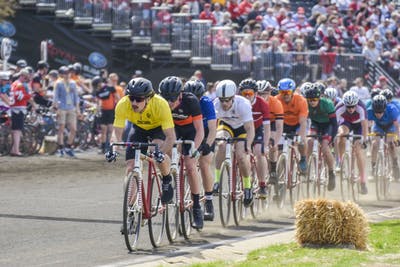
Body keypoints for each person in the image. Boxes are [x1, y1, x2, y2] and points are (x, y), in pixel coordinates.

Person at [106, 77, 176, 208]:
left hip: (158, 129)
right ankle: (131, 208)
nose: (134, 102)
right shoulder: (123, 104)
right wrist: (113, 150)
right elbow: (116, 133)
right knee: (131, 166)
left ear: (149, 98)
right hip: (138, 129)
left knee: (155, 152)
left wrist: (161, 153)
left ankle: (166, 179)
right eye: (131, 98)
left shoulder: (161, 104)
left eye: (139, 99)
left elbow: (171, 137)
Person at [158, 76, 204, 229]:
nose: (169, 103)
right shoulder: (160, 103)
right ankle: (169, 182)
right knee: (166, 156)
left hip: (191, 132)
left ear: (180, 95)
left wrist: (194, 150)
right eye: (166, 99)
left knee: (190, 166)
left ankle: (197, 207)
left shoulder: (191, 101)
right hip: (173, 130)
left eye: (172, 99)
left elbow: (200, 131)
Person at [213, 79, 255, 207]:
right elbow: (211, 126)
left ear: (233, 97)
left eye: (227, 100)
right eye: (222, 100)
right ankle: (216, 181)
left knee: (241, 156)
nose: (224, 104)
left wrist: (248, 145)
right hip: (226, 126)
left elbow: (250, 128)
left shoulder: (243, 104)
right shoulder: (216, 104)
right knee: (221, 144)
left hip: (242, 129)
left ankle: (247, 187)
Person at [184, 79, 217, 221]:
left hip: (206, 134)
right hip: (190, 133)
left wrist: (206, 145)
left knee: (204, 163)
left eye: (197, 97)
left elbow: (213, 129)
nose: (194, 100)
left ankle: (208, 200)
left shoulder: (206, 102)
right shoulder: (184, 102)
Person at [238, 78, 270, 198]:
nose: (246, 96)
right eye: (244, 93)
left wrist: (265, 146)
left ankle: (262, 184)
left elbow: (267, 127)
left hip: (257, 130)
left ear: (256, 94)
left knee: (259, 152)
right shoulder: (238, 103)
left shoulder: (262, 104)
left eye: (249, 93)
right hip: (242, 130)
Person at [304, 83, 338, 191]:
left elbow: (334, 124)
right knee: (309, 141)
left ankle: (331, 172)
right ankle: (305, 165)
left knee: (324, 148)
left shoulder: (327, 104)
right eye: (310, 100)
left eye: (314, 99)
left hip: (328, 125)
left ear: (319, 98)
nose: (312, 102)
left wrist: (331, 138)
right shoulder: (305, 104)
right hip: (315, 124)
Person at [335, 91, 369, 194]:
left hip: (359, 125)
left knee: (358, 151)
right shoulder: (339, 107)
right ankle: (340, 161)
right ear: (344, 104)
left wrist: (364, 139)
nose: (350, 109)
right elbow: (335, 125)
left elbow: (364, 126)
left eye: (353, 106)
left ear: (356, 104)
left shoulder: (361, 107)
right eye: (348, 107)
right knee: (341, 135)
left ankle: (363, 181)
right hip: (346, 122)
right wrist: (334, 137)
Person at [275, 78, 308, 173]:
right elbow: (275, 121)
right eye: (282, 92)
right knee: (279, 150)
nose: (285, 94)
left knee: (301, 142)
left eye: (288, 92)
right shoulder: (277, 100)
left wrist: (301, 137)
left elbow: (303, 122)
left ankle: (303, 158)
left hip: (297, 124)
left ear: (293, 91)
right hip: (283, 124)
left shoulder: (301, 100)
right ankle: (280, 174)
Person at [367, 94, 400, 182]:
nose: (378, 114)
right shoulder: (369, 110)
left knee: (391, 144)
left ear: (385, 108)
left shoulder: (392, 109)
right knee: (374, 144)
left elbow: (397, 126)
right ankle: (373, 170)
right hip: (378, 127)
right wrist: (367, 135)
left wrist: (398, 138)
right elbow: (367, 125)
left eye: (380, 112)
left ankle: (395, 166)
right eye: (376, 112)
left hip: (390, 126)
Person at [257, 80, 284, 184]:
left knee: (272, 142)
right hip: (259, 123)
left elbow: (279, 127)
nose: (261, 96)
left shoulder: (276, 103)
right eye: (259, 94)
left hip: (272, 123)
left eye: (264, 94)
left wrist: (275, 143)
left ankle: (273, 169)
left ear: (269, 93)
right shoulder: (253, 102)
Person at [53, 66, 81, 158]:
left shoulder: (73, 83)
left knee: (74, 128)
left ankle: (68, 147)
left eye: (68, 73)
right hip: (62, 108)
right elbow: (56, 97)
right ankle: (61, 148)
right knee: (61, 128)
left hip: (71, 108)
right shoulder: (59, 83)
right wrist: (56, 108)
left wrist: (78, 109)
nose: (67, 74)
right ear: (62, 74)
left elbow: (76, 97)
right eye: (65, 73)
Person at [93, 75, 120, 154]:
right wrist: (97, 111)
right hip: (103, 112)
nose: (97, 87)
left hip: (111, 111)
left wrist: (118, 108)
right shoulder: (98, 92)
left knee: (110, 130)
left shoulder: (110, 88)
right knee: (104, 130)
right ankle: (103, 147)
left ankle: (109, 147)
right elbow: (98, 103)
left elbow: (117, 98)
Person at [9, 69, 33, 156]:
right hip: (18, 109)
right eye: (26, 78)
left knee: (15, 130)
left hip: (14, 108)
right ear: (22, 76)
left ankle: (13, 149)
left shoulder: (14, 84)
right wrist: (29, 95)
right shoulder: (19, 85)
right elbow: (19, 97)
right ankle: (16, 150)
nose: (26, 80)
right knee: (17, 131)